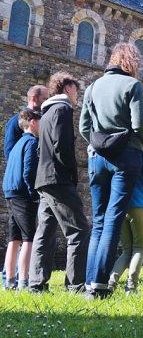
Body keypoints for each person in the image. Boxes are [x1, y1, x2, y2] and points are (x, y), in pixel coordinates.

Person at [79, 42, 143, 300]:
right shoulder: (133, 86)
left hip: (96, 158)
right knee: (113, 218)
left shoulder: (92, 87)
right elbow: (140, 125)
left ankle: (89, 283)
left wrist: (100, 143)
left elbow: (83, 128)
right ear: (131, 62)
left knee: (97, 221)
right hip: (126, 156)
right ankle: (99, 285)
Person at [28, 73, 90, 293]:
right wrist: (72, 174)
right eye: (75, 89)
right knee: (79, 230)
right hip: (58, 178)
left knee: (44, 232)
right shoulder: (63, 110)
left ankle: (36, 284)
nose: (77, 94)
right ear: (66, 88)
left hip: (43, 179)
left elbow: (40, 148)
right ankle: (75, 285)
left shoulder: (45, 114)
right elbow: (62, 146)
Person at [108, 148, 143, 295]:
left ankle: (111, 282)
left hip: (120, 204)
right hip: (139, 203)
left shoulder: (119, 151)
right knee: (139, 247)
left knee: (126, 250)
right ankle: (131, 287)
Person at [2, 109, 41, 290]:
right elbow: (29, 172)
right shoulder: (32, 143)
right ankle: (23, 281)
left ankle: (9, 281)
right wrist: (34, 195)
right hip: (23, 195)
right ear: (32, 122)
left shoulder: (17, 144)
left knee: (14, 239)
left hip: (10, 193)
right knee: (29, 239)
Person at [4, 85, 48, 160]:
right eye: (44, 99)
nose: (47, 102)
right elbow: (9, 151)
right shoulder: (15, 121)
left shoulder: (45, 119)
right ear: (34, 98)